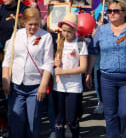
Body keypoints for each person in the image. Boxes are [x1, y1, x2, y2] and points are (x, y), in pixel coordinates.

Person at [86, 0, 126, 138]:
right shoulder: (101, 30)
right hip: (107, 78)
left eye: (116, 11)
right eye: (109, 11)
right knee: (110, 115)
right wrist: (88, 73)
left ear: (124, 13)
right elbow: (93, 51)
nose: (112, 13)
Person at [2, 8, 54, 138]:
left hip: (35, 87)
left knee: (33, 122)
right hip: (16, 86)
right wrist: (5, 80)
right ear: (24, 22)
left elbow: (48, 63)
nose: (33, 27)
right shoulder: (16, 34)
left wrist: (43, 85)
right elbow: (7, 59)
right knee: (16, 121)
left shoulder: (46, 36)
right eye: (30, 24)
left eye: (36, 24)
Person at [53, 13, 88, 138]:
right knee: (59, 120)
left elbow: (83, 67)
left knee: (71, 119)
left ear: (75, 30)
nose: (66, 34)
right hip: (59, 87)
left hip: (74, 87)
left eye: (69, 31)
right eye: (64, 31)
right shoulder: (59, 42)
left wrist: (63, 72)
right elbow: (55, 62)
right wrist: (55, 62)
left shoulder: (81, 44)